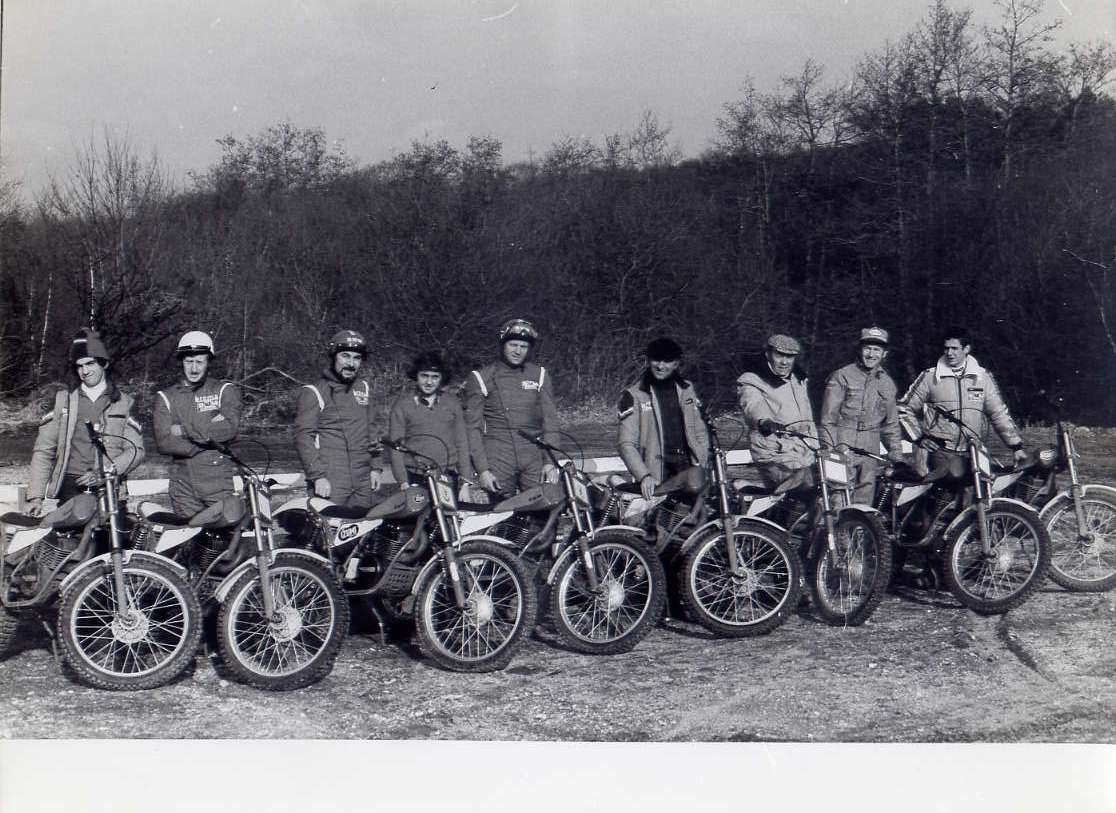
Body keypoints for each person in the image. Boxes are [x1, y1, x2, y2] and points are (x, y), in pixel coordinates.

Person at [27, 328, 145, 514]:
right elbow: (43, 450)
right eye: (79, 366)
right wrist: (35, 496)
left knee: (113, 533)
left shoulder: (125, 403)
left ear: (104, 363)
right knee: (69, 532)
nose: (85, 371)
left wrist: (106, 472)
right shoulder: (62, 400)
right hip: (70, 487)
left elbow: (136, 450)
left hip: (109, 487)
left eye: (90, 363)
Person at [899, 328, 1028, 468]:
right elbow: (903, 408)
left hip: (973, 450)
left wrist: (1016, 446)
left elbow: (998, 413)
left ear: (966, 349)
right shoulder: (929, 377)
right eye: (946, 348)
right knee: (950, 478)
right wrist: (918, 438)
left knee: (988, 479)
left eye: (954, 348)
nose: (949, 353)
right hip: (939, 451)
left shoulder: (983, 377)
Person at [462, 318, 559, 498]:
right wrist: (482, 469)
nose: (518, 351)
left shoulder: (539, 375)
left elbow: (550, 422)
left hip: (533, 456)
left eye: (523, 346)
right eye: (513, 345)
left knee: (543, 506)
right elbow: (472, 428)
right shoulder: (481, 377)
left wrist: (550, 461)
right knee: (501, 510)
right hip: (498, 456)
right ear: (503, 345)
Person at [153, 330, 241, 516]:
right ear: (181, 362)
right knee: (187, 533)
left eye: (199, 362)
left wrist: (184, 430)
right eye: (189, 361)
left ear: (209, 362)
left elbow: (229, 429)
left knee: (227, 530)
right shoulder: (166, 397)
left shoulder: (224, 390)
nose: (194, 369)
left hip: (218, 483)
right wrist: (209, 438)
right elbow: (164, 442)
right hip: (182, 487)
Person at [294, 329, 383, 509]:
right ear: (334, 356)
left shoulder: (364, 388)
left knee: (368, 523)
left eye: (357, 358)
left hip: (363, 479)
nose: (351, 363)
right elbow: (304, 438)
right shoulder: (314, 392)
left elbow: (372, 430)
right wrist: (318, 477)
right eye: (345, 356)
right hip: (331, 479)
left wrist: (376, 468)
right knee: (329, 523)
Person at [617, 337, 710, 500]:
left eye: (667, 361)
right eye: (656, 359)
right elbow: (626, 444)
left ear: (676, 363)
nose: (660, 366)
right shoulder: (633, 395)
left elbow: (700, 432)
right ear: (648, 360)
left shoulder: (687, 389)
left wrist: (701, 463)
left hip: (689, 469)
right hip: (656, 475)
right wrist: (643, 476)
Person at [820, 326, 905, 504]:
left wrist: (896, 454)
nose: (871, 354)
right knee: (838, 496)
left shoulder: (887, 383)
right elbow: (828, 419)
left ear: (884, 354)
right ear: (860, 349)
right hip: (843, 439)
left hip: (871, 444)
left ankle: (859, 522)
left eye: (877, 350)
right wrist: (832, 450)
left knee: (865, 497)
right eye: (867, 348)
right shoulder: (842, 376)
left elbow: (891, 424)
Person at [736, 333, 818, 488]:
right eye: (779, 355)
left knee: (826, 484)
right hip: (773, 450)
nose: (784, 362)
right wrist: (764, 421)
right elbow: (752, 404)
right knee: (802, 485)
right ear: (768, 354)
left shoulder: (798, 379)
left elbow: (807, 416)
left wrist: (816, 443)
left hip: (804, 448)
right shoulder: (753, 379)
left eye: (790, 357)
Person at [387, 351, 470, 487]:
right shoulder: (402, 405)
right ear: (416, 376)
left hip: (447, 474)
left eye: (435, 377)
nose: (429, 382)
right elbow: (396, 448)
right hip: (415, 475)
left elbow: (462, 443)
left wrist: (465, 481)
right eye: (424, 376)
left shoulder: (452, 403)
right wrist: (403, 481)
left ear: (441, 379)